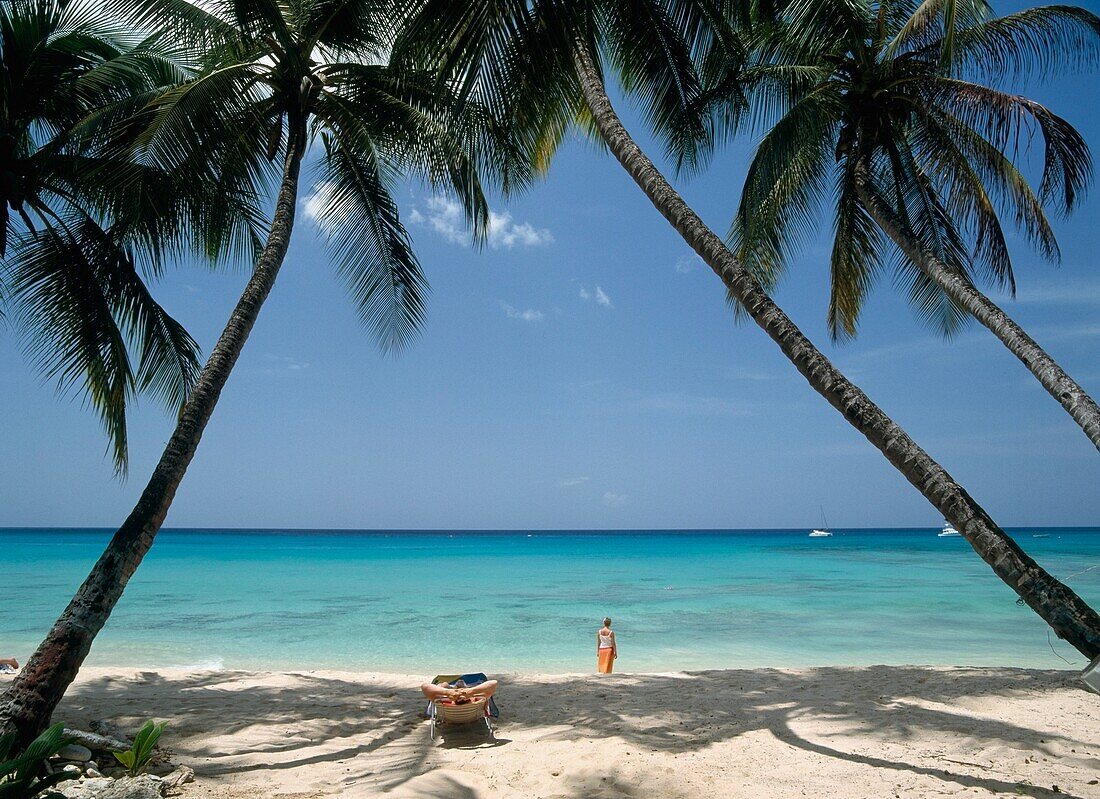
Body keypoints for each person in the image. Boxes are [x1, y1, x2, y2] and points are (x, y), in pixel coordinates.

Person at [420, 678, 498, 704]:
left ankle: (448, 686)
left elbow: (425, 686)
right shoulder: (477, 699)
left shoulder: (443, 701)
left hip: (449, 717)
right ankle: (456, 686)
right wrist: (471, 691)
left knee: (443, 685)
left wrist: (448, 692)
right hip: (472, 716)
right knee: (460, 683)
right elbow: (494, 683)